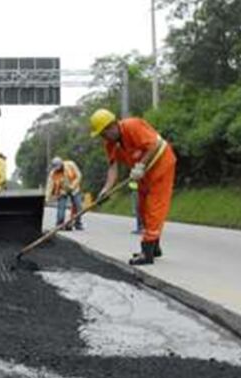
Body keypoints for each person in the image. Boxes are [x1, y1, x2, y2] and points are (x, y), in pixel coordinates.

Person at [90, 108, 176, 265]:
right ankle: (155, 247)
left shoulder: (133, 126)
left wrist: (140, 165)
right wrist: (106, 189)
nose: (103, 137)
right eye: (101, 135)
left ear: (112, 125)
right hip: (143, 174)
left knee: (154, 208)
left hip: (161, 166)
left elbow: (155, 144)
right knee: (142, 208)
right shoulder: (110, 144)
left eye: (104, 133)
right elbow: (113, 167)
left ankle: (147, 252)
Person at [45, 156, 84, 230]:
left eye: (60, 167)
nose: (59, 170)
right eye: (56, 169)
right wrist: (47, 198)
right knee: (61, 209)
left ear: (62, 164)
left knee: (78, 206)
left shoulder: (71, 165)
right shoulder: (53, 174)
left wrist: (73, 186)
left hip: (74, 189)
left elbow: (79, 175)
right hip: (62, 191)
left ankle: (78, 223)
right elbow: (49, 186)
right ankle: (59, 224)